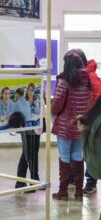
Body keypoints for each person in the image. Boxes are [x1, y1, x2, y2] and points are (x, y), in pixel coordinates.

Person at [51, 51, 92, 201]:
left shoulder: (64, 80)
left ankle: (63, 191)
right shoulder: (86, 80)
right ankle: (79, 191)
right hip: (80, 125)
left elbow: (57, 105)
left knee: (64, 157)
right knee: (78, 156)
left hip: (65, 125)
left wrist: (51, 109)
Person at [70, 48, 101, 194]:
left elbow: (96, 98)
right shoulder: (84, 76)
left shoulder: (89, 77)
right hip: (89, 118)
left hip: (93, 120)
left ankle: (90, 181)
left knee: (91, 149)